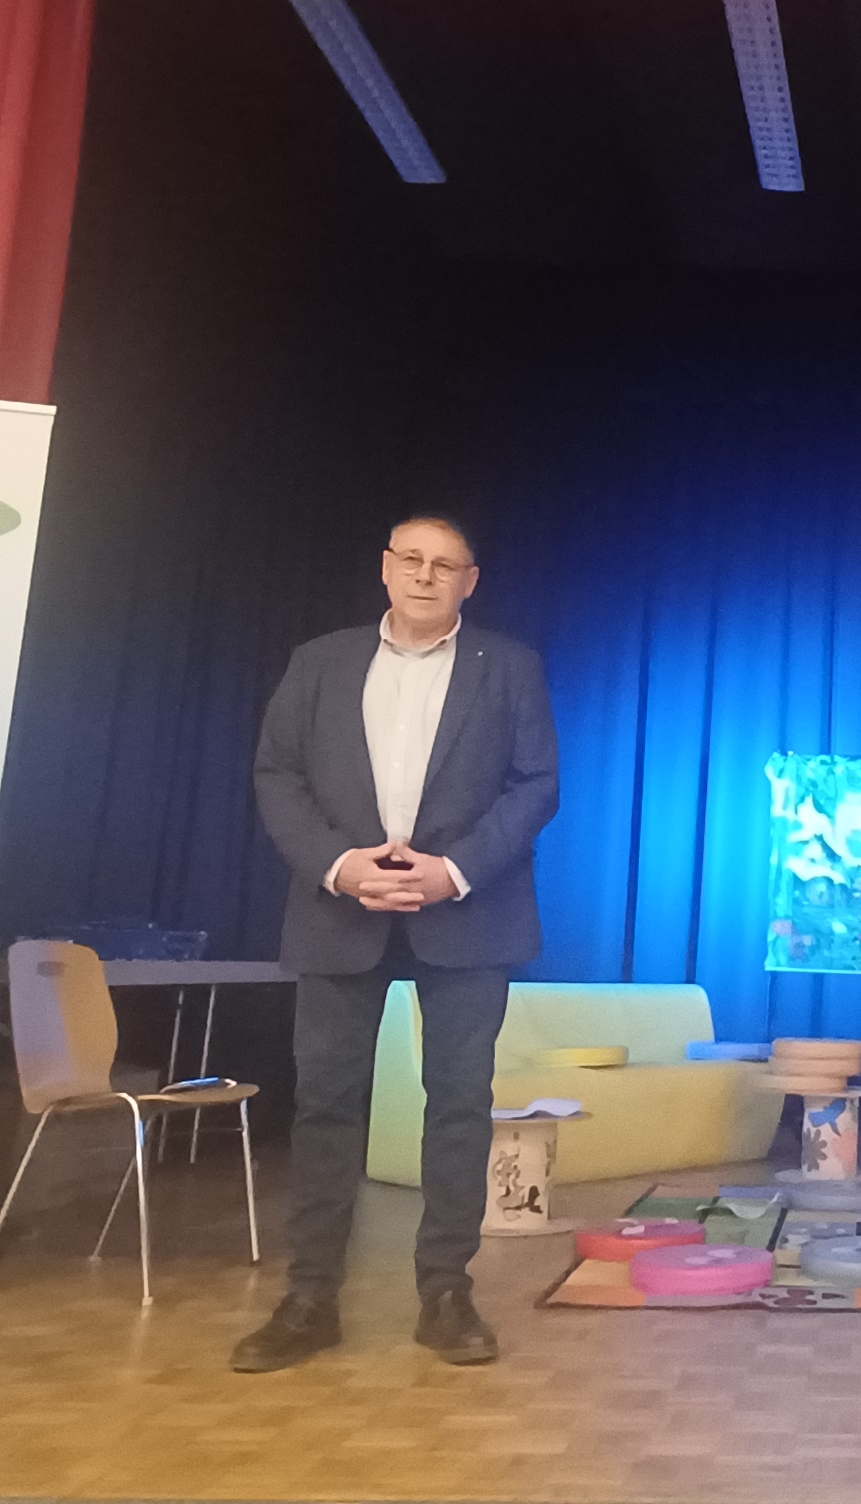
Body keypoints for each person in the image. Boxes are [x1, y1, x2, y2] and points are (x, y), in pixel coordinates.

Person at [234, 514, 560, 1373]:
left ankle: (446, 1295)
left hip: (468, 913)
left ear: (469, 581)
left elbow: (537, 785)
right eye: (410, 559)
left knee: (458, 1106)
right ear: (385, 568)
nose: (425, 575)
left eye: (444, 565)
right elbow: (277, 775)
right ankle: (309, 1299)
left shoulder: (510, 667)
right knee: (325, 1106)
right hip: (339, 911)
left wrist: (454, 871)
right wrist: (340, 866)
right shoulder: (319, 661)